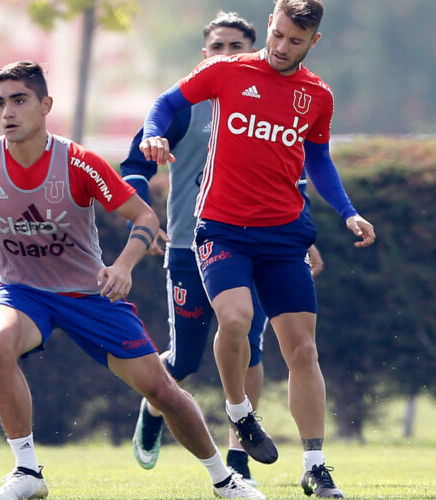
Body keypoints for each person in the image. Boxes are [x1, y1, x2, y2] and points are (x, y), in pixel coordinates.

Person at [0, 61, 264, 500]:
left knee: (162, 391)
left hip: (90, 295)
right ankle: (26, 472)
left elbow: (145, 216)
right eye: (0, 103)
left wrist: (123, 266)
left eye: (19, 100)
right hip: (21, 292)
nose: (8, 112)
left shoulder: (78, 162)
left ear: (45, 106)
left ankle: (224, 480)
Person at [139, 1, 376, 497]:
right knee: (235, 320)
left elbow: (319, 161)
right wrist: (156, 134)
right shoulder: (225, 70)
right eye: (279, 34)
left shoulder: (317, 96)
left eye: (295, 41)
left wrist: (347, 211)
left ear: (314, 42)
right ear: (270, 25)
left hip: (285, 233)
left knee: (303, 349)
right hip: (222, 228)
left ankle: (314, 464)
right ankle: (240, 413)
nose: (282, 47)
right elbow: (164, 104)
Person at [122, 10, 323, 486]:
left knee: (249, 344)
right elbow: (135, 164)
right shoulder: (185, 107)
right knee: (186, 359)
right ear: (204, 56)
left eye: (238, 47)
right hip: (191, 246)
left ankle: (238, 463)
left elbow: (292, 176)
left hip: (252, 243)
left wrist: (305, 239)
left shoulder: (273, 101)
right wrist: (145, 222)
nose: (228, 56)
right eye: (219, 48)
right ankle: (155, 406)